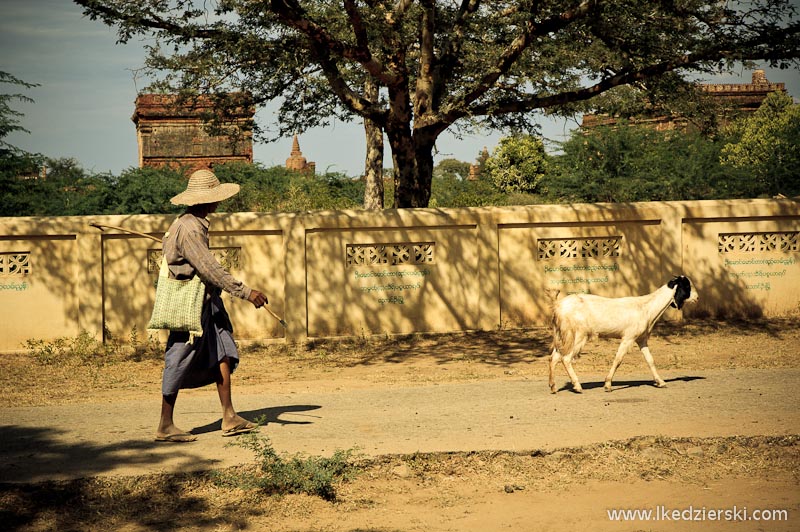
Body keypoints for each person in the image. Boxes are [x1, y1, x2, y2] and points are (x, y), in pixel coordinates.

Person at [155, 168, 268, 443]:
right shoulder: (189, 228)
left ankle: (228, 416)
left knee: (223, 354)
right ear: (206, 200)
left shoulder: (191, 224)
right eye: (215, 198)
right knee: (178, 359)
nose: (219, 202)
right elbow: (209, 270)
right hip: (189, 306)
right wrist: (246, 292)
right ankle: (165, 425)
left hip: (208, 303)